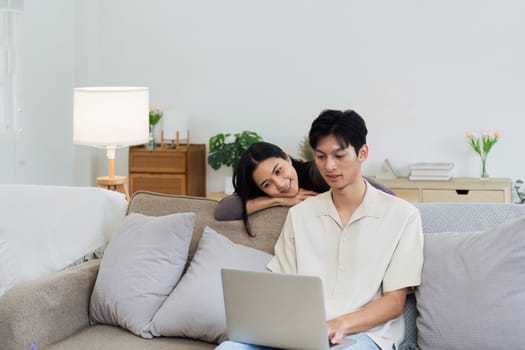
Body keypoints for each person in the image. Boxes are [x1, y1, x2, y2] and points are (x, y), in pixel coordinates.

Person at [217, 109, 424, 349]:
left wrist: (340, 324)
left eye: (339, 155)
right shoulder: (300, 214)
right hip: (300, 334)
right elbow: (282, 286)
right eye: (321, 157)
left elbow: (394, 303)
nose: (330, 166)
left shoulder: (403, 216)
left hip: (363, 336)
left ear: (362, 153)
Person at [215, 141, 395, 236]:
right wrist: (278, 200)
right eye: (267, 184)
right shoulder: (270, 196)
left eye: (279, 170)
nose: (280, 184)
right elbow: (224, 211)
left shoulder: (316, 174)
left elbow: (386, 195)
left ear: (286, 158)